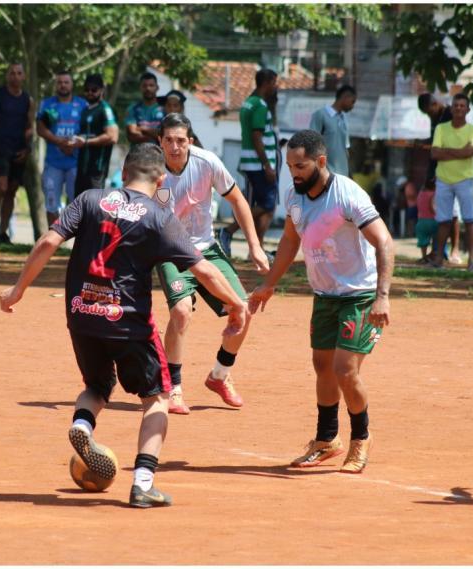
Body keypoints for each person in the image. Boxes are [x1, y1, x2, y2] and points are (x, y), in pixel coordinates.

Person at [0, 143, 248, 508]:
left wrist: (17, 289)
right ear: (160, 180)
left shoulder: (89, 199)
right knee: (157, 398)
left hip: (82, 316)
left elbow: (49, 241)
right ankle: (143, 483)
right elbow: (204, 270)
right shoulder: (159, 216)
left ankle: (82, 425)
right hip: (129, 323)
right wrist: (237, 305)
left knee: (97, 386)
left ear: (125, 172)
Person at [249, 129, 394, 474]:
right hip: (325, 295)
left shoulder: (347, 194)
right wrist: (269, 284)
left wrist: (382, 297)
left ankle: (361, 438)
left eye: (300, 166)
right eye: (289, 166)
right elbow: (289, 241)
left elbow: (384, 242)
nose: (294, 173)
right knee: (322, 366)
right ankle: (327, 439)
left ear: (321, 161)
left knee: (345, 370)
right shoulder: (294, 197)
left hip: (359, 295)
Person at [156, 113, 269, 414]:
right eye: (169, 140)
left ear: (190, 141)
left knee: (242, 309)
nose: (175, 147)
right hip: (171, 252)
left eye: (181, 141)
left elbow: (239, 201)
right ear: (160, 142)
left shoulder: (207, 162)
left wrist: (255, 246)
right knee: (181, 311)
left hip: (207, 250)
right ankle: (172, 387)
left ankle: (219, 375)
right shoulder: (152, 170)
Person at [219, 68, 279, 259]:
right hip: (259, 164)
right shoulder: (260, 105)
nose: (275, 86)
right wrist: (267, 165)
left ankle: (257, 250)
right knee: (267, 205)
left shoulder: (248, 103)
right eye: (274, 82)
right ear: (266, 83)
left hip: (250, 162)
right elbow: (256, 136)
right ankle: (228, 230)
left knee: (259, 205)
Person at [0, 62, 35, 244]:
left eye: (19, 73)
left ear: (24, 76)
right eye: (12, 73)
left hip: (18, 150)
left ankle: (3, 232)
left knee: (11, 191)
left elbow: (30, 127)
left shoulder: (28, 100)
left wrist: (28, 149)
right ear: (7, 75)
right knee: (0, 188)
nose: (15, 76)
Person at [429, 92, 473, 271]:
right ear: (451, 109)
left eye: (462, 106)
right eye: (456, 105)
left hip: (465, 179)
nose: (458, 108)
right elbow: (434, 153)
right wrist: (460, 152)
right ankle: (438, 259)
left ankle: (471, 260)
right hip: (443, 179)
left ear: (468, 109)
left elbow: (470, 152)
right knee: (443, 220)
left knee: (469, 219)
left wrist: (446, 151)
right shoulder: (441, 128)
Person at [36, 70, 87, 225]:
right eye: (59, 82)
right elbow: (40, 128)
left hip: (75, 163)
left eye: (66, 82)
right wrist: (59, 142)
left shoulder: (83, 105)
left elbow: (88, 130)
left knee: (76, 205)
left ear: (72, 85)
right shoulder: (46, 104)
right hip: (53, 163)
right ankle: (54, 237)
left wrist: (75, 143)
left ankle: (72, 239)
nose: (63, 85)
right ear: (55, 85)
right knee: (51, 203)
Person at [418, 93, 462, 263]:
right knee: (439, 212)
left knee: (453, 212)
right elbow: (434, 141)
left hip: (452, 170)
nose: (429, 115)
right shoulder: (436, 119)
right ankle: (438, 250)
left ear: (435, 104)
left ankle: (455, 249)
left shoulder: (450, 115)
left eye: (429, 111)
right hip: (436, 168)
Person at [72, 74, 118, 197]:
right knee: (79, 203)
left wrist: (86, 142)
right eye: (87, 90)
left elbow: (112, 136)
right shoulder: (85, 110)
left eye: (94, 90)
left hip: (97, 168)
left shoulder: (105, 109)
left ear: (102, 90)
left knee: (94, 203)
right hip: (82, 167)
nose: (90, 93)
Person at [309, 85, 356, 176]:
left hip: (342, 175)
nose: (352, 106)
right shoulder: (321, 115)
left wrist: (349, 173)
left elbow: (346, 149)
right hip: (326, 174)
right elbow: (312, 144)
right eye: (352, 101)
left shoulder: (343, 118)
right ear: (345, 97)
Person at [125, 71, 164, 146]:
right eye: (144, 86)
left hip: (159, 153)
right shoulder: (133, 109)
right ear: (140, 88)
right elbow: (132, 134)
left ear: (157, 87)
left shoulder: (165, 109)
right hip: (137, 152)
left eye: (151, 85)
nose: (148, 88)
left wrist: (142, 129)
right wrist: (156, 135)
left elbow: (167, 134)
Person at [415, 179, 438, 263]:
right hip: (432, 220)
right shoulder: (434, 194)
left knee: (423, 240)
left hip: (421, 221)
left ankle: (424, 257)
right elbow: (432, 207)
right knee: (437, 238)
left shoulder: (420, 194)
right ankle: (435, 255)